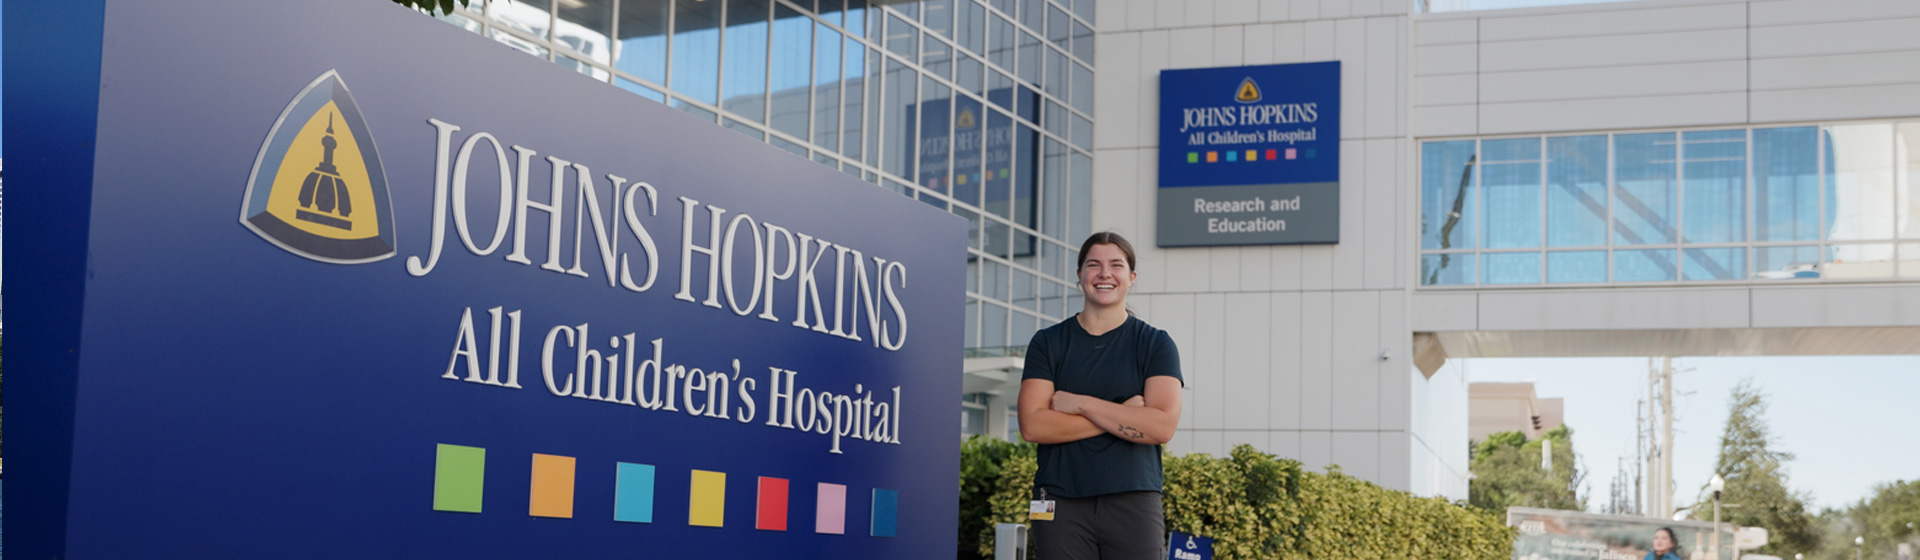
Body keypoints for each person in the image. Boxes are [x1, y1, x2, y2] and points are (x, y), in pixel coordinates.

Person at [1016, 232, 1184, 560]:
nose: (1104, 273)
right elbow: (1033, 426)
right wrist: (1123, 413)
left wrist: (1081, 404)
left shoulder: (1155, 344)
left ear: (1131, 277)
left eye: (1116, 265)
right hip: (1060, 502)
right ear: (1079, 275)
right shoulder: (1048, 343)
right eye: (1093, 264)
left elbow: (1161, 428)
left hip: (1134, 500)